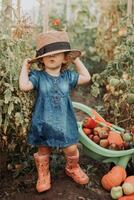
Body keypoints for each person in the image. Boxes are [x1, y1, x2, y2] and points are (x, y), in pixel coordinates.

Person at [19, 30, 91, 193]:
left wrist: (76, 59)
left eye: (58, 54)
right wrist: (25, 67)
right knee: (43, 149)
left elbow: (86, 77)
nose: (52, 57)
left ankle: (72, 168)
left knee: (71, 148)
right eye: (48, 54)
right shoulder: (38, 77)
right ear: (42, 59)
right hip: (43, 121)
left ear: (65, 58)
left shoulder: (68, 77)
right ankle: (43, 174)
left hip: (64, 120)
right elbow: (24, 86)